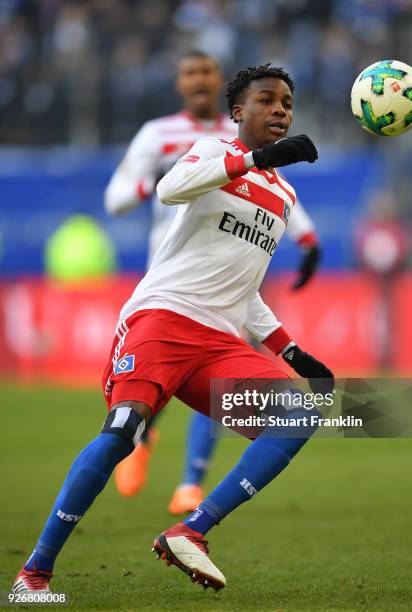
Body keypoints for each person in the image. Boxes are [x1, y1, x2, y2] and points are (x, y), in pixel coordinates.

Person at [13, 63, 333, 594]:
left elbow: (242, 283)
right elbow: (169, 189)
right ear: (237, 111)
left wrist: (293, 353)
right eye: (267, 100)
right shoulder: (211, 151)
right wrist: (255, 158)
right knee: (122, 435)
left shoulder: (284, 197)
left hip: (218, 342)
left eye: (287, 103)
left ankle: (192, 529)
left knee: (300, 413)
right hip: (162, 317)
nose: (280, 109)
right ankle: (33, 574)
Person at [105, 51, 322, 513]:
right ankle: (138, 441)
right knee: (151, 396)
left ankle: (189, 483)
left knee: (224, 373)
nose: (198, 79)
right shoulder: (163, 136)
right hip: (172, 278)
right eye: (189, 72)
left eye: (206, 71)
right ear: (181, 83)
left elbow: (275, 190)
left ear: (220, 82)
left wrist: (306, 237)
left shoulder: (256, 150)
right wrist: (157, 177)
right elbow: (118, 199)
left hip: (229, 280)